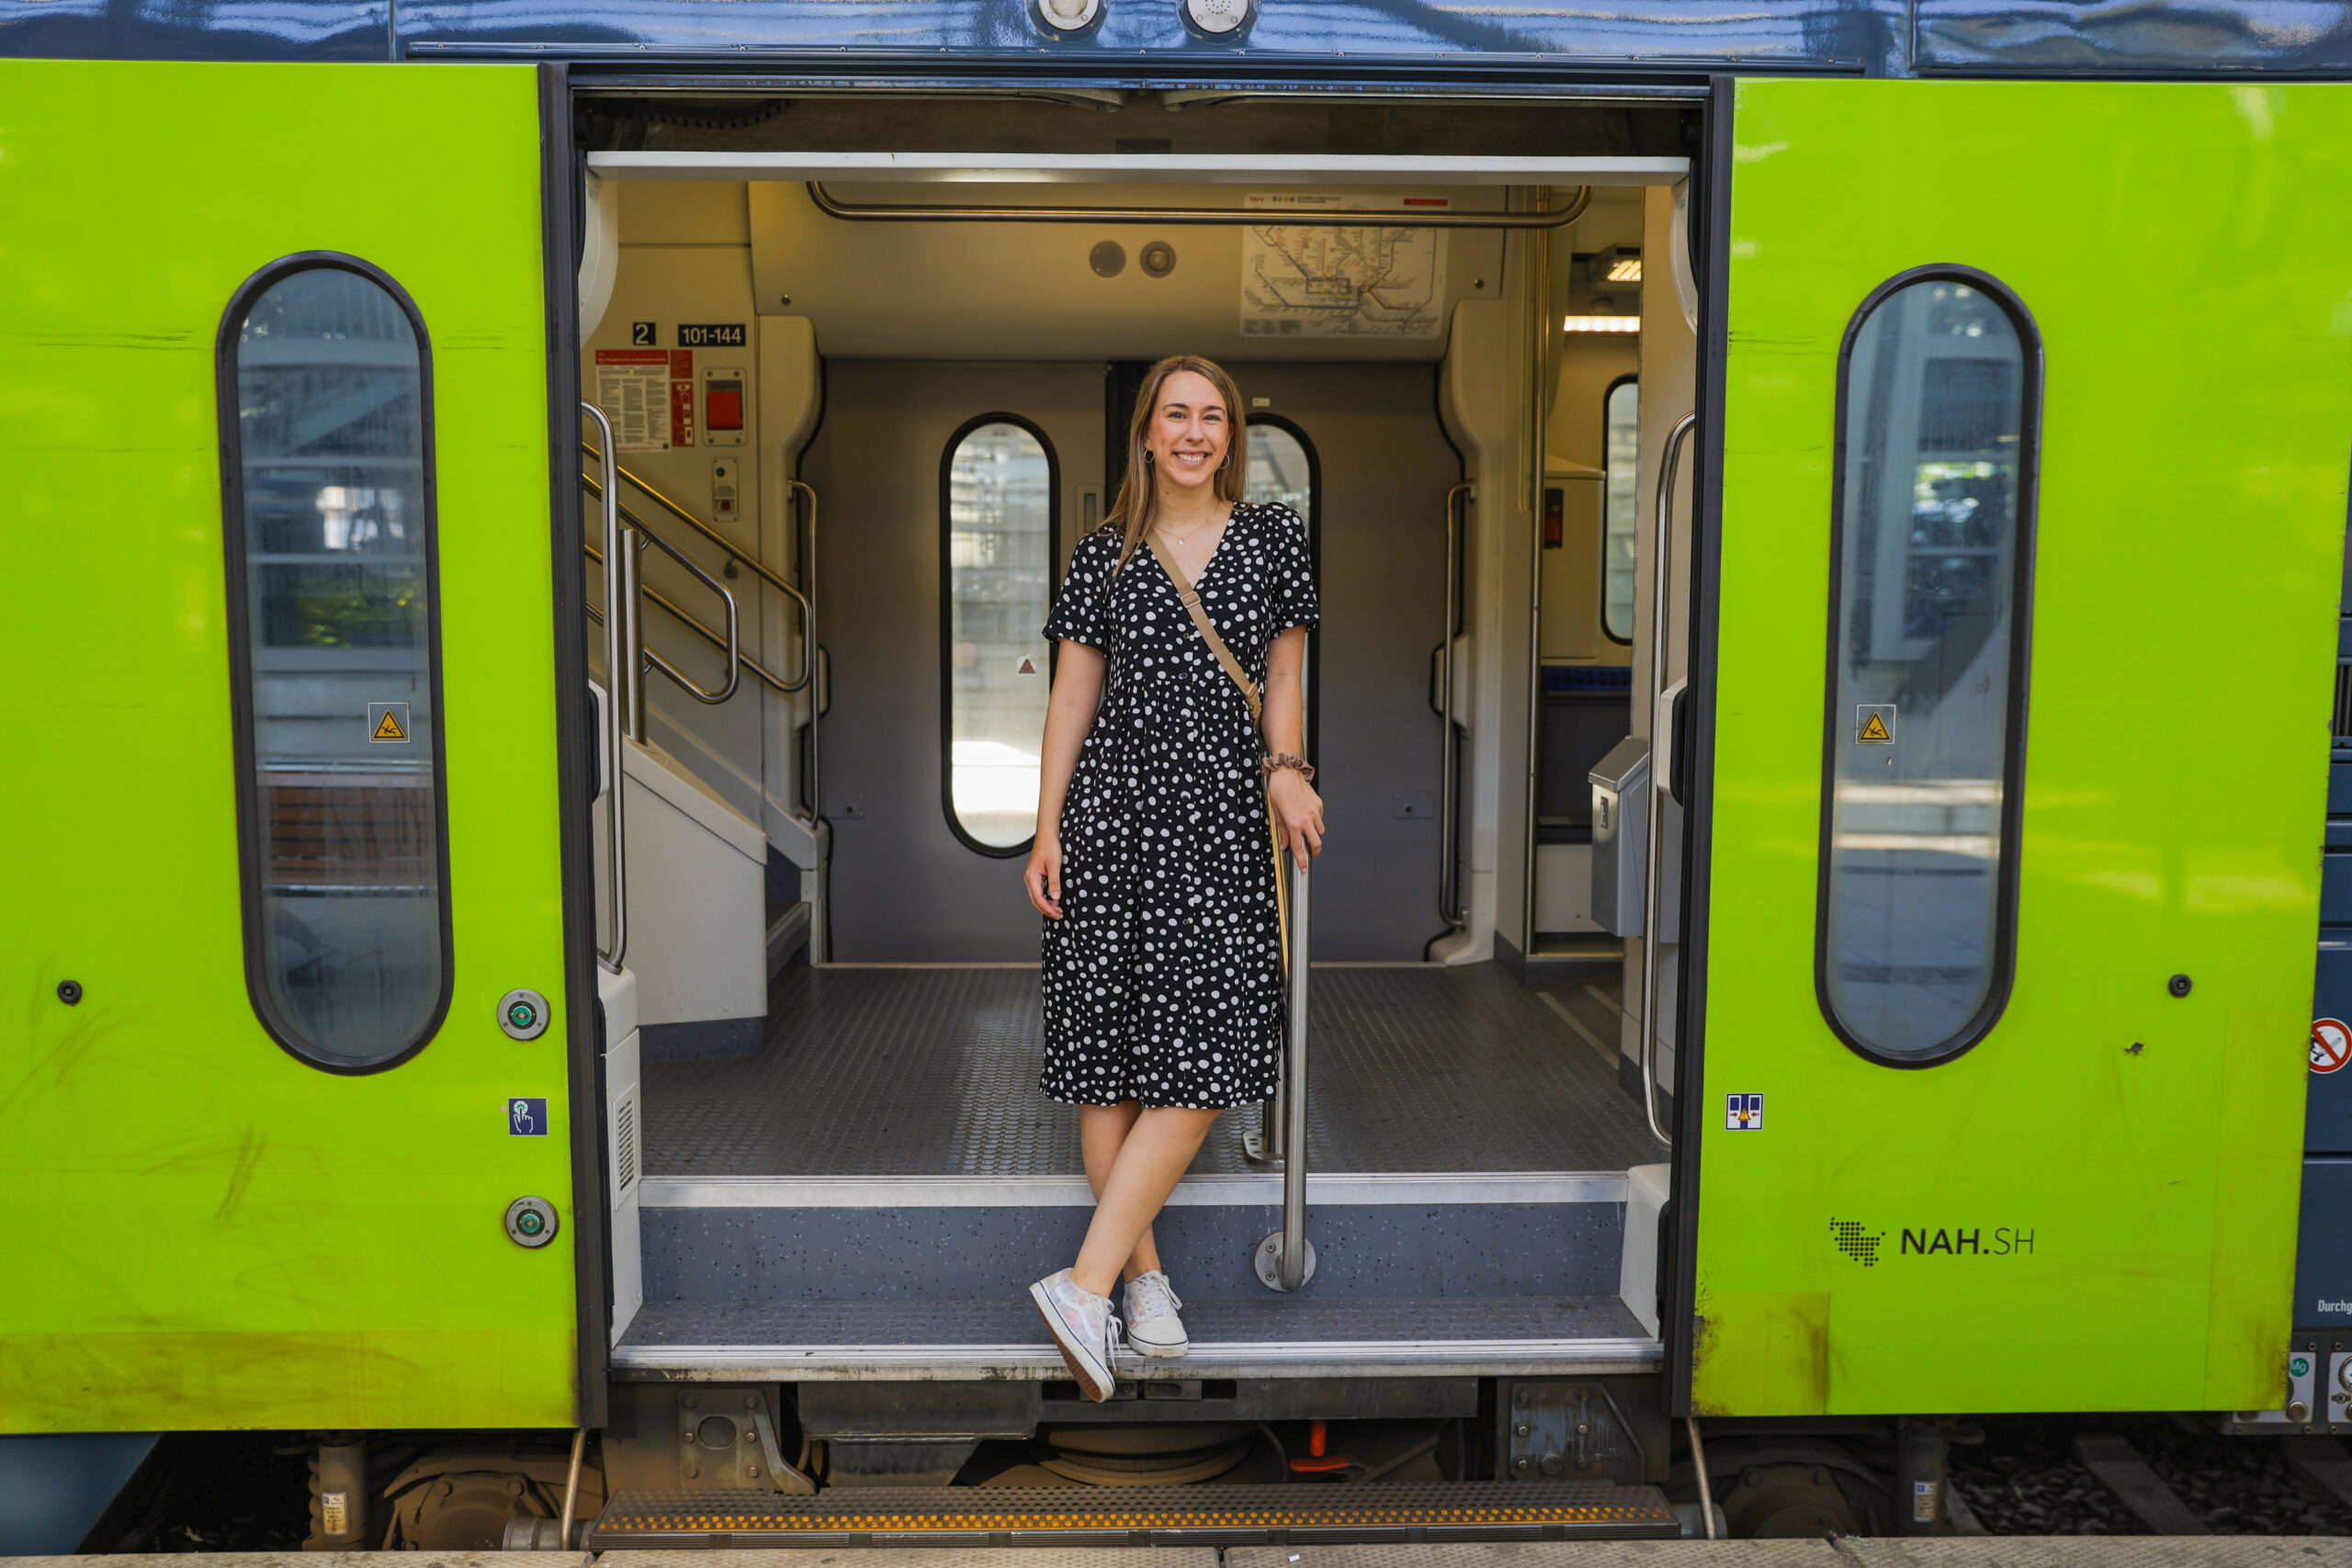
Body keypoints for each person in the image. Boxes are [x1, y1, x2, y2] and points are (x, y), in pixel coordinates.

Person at [1022, 354, 1323, 1401]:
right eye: (1175, 415)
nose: (1194, 432)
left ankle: (1085, 1280)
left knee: (1201, 1059)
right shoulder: (1101, 555)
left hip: (1222, 819)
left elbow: (1283, 671)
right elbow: (1070, 700)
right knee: (1108, 1057)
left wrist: (1285, 773)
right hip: (1112, 817)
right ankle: (1141, 1289)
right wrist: (1047, 825)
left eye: (1212, 417)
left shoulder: (1274, 536)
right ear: (1146, 434)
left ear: (1229, 436)